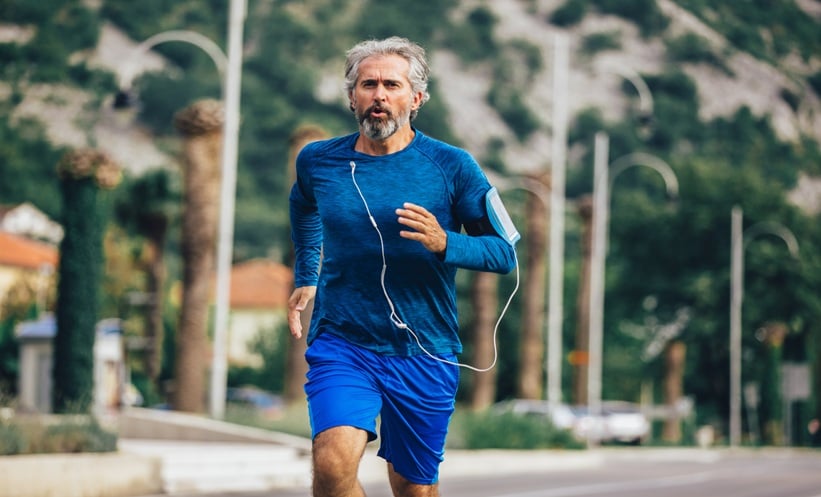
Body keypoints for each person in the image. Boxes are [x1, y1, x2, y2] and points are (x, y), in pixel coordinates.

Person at [287, 36, 518, 497]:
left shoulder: (453, 166)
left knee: (413, 489)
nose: (379, 96)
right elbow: (304, 204)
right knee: (332, 466)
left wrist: (444, 242)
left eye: (391, 85)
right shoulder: (319, 161)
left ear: (415, 99)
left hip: (424, 349)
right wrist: (306, 274)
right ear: (352, 96)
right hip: (343, 340)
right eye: (367, 84)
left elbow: (504, 252)